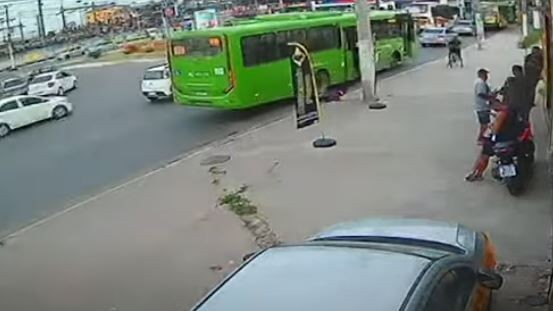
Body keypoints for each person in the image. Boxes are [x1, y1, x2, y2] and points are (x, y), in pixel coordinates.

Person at [474, 68, 495, 143]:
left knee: (484, 124)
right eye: (486, 74)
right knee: (484, 125)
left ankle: (481, 138)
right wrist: (490, 98)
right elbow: (480, 94)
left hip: (483, 107)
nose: (487, 76)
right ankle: (481, 139)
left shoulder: (481, 82)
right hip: (482, 107)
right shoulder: (480, 83)